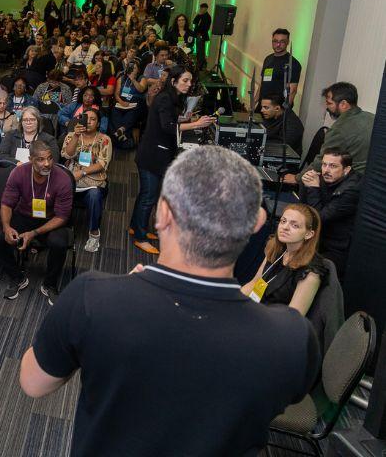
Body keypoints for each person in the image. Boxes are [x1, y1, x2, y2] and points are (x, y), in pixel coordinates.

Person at [20, 145, 320, 456]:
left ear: (162, 214)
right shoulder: (292, 338)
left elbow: (33, 383)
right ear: (258, 222)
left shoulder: (92, 298)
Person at [130, 66, 214, 255]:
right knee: (149, 196)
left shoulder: (172, 98)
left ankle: (135, 227)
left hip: (157, 153)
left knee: (146, 194)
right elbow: (167, 126)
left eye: (190, 81)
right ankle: (140, 238)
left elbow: (169, 119)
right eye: (185, 80)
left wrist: (185, 119)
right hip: (152, 154)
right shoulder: (166, 98)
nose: (189, 84)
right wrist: (196, 124)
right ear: (174, 81)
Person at [0, 140, 73, 303]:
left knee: (59, 243)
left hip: (51, 219)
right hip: (24, 215)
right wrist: (7, 226)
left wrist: (34, 233)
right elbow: (6, 204)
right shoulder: (18, 173)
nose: (47, 164)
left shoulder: (62, 179)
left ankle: (50, 284)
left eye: (50, 158)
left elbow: (62, 217)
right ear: (31, 159)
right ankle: (17, 278)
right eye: (41, 159)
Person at [242, 203, 325, 315]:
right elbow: (255, 282)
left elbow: (293, 318)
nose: (285, 227)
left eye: (294, 225)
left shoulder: (311, 272)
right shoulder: (276, 249)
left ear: (309, 234)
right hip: (256, 311)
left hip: (276, 324)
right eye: (283, 221)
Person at [299, 149, 362, 279]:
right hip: (318, 239)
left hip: (336, 248)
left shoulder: (352, 190)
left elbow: (319, 218)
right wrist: (305, 184)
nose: (326, 170)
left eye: (333, 166)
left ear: (346, 169)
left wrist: (312, 188)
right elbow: (303, 210)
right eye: (324, 164)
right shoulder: (325, 178)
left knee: (307, 272)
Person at [61, 109, 112, 253]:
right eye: (86, 118)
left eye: (93, 119)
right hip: (71, 181)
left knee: (94, 195)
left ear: (98, 123)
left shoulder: (104, 139)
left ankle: (94, 233)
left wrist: (82, 172)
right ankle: (59, 229)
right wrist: (76, 135)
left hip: (93, 182)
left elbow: (103, 163)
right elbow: (66, 154)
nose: (88, 121)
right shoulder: (72, 135)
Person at [299, 82, 374, 178]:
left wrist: (297, 178)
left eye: (330, 103)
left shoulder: (339, 129)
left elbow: (323, 161)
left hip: (350, 182)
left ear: (343, 104)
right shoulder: (372, 117)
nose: (327, 108)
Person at [256, 28, 302, 109]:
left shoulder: (293, 63)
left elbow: (292, 91)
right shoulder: (268, 59)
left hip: (277, 109)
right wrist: (255, 100)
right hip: (262, 106)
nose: (278, 45)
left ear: (287, 42)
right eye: (275, 41)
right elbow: (262, 83)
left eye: (282, 42)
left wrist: (283, 111)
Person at [192, 3, 212, 71]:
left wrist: (200, 33)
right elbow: (194, 22)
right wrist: (198, 15)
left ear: (205, 8)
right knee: (198, 50)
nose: (200, 9)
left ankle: (200, 65)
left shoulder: (207, 17)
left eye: (202, 8)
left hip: (201, 35)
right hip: (197, 34)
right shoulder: (200, 15)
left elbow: (206, 27)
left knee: (201, 50)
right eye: (200, 8)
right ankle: (199, 63)